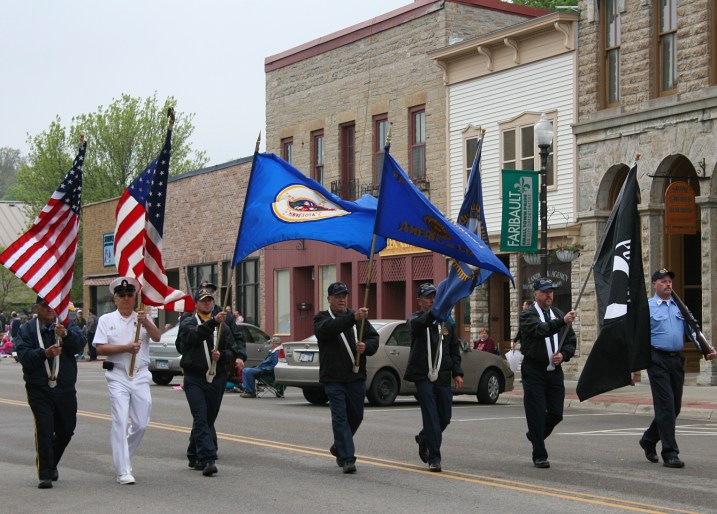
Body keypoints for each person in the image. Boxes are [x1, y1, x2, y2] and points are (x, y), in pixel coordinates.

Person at [638, 269, 716, 468]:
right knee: (665, 406)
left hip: (676, 360)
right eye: (663, 281)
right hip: (657, 359)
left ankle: (648, 439)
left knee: (674, 408)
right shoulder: (647, 307)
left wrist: (705, 350)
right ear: (655, 284)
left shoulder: (679, 307)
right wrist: (634, 366)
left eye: (670, 282)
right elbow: (638, 338)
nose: (668, 285)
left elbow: (693, 330)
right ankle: (670, 453)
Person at [93, 277, 161, 485]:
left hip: (140, 374)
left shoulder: (142, 318)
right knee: (121, 420)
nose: (126, 299)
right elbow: (100, 348)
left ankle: (122, 456)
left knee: (140, 424)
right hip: (118, 375)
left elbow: (157, 337)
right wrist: (125, 348)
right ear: (115, 299)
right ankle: (123, 470)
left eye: (130, 295)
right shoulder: (106, 320)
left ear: (135, 298)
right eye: (121, 296)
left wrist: (146, 321)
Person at [16, 296, 86, 489]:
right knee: (45, 430)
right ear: (38, 307)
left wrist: (66, 336)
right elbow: (24, 357)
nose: (49, 309)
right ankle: (45, 474)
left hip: (65, 388)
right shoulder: (27, 329)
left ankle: (51, 461)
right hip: (39, 388)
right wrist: (43, 354)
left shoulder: (65, 325)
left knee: (66, 429)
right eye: (45, 305)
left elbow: (80, 345)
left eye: (53, 305)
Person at [177, 285, 246, 477]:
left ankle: (193, 453)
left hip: (217, 378)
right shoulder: (188, 320)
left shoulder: (224, 324)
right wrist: (212, 323)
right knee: (200, 417)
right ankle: (208, 458)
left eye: (210, 300)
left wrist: (222, 356)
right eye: (203, 300)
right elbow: (192, 336)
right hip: (195, 377)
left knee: (208, 418)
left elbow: (232, 349)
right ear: (197, 303)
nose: (207, 303)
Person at [314, 281, 378, 474]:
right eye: (338, 296)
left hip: (355, 377)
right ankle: (347, 458)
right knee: (340, 417)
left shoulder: (359, 319)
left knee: (356, 415)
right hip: (333, 378)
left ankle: (339, 445)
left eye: (344, 296)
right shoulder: (322, 318)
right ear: (329, 299)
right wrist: (352, 317)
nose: (342, 299)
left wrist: (366, 347)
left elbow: (374, 338)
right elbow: (328, 329)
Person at [405, 283, 464, 473]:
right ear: (419, 301)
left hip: (443, 374)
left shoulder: (448, 322)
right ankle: (434, 457)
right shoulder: (415, 319)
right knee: (430, 415)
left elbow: (454, 349)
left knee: (444, 416)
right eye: (428, 297)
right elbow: (418, 325)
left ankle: (424, 438)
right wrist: (434, 313)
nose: (432, 300)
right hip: (423, 374)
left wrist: (457, 372)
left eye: (434, 297)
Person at [519, 277, 576, 469]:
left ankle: (535, 435)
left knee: (556, 413)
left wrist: (564, 354)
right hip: (534, 370)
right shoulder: (528, 315)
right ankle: (539, 454)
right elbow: (540, 330)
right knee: (536, 412)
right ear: (535, 294)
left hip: (554, 372)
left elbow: (571, 340)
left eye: (551, 291)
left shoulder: (557, 313)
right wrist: (561, 322)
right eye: (544, 291)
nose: (548, 295)